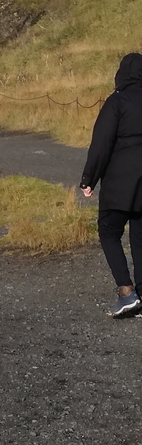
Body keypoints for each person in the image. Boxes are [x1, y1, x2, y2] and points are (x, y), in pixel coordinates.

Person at [81, 53, 142, 317]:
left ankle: (126, 291)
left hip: (119, 182)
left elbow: (101, 144)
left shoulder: (117, 101)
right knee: (140, 239)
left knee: (108, 231)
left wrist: (88, 178)